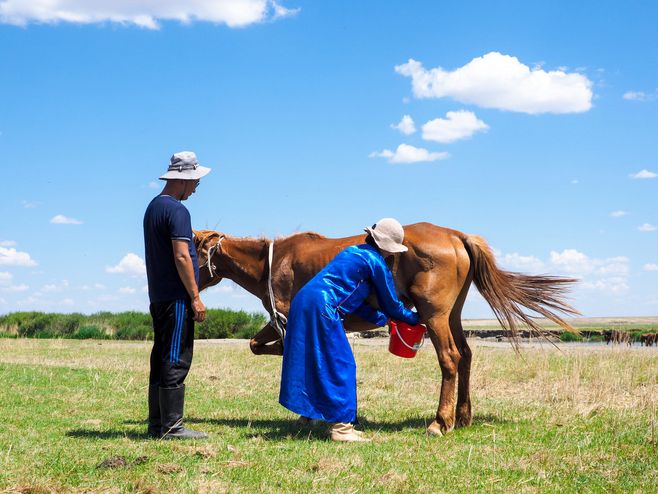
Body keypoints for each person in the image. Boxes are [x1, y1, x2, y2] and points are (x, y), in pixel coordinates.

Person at [279, 218, 420, 442]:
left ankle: (307, 415)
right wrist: (416, 318)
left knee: (312, 359)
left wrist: (381, 319)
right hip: (323, 307)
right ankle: (342, 429)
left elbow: (353, 298)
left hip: (304, 301)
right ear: (387, 248)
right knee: (341, 363)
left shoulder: (353, 252)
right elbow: (392, 304)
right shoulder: (376, 262)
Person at [143, 151, 211, 439]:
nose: (196, 188)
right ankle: (171, 427)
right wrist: (195, 297)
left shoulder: (153, 208)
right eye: (195, 181)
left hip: (158, 296)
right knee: (175, 357)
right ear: (183, 180)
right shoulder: (178, 211)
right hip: (176, 299)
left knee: (161, 355)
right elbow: (182, 256)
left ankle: (157, 424)